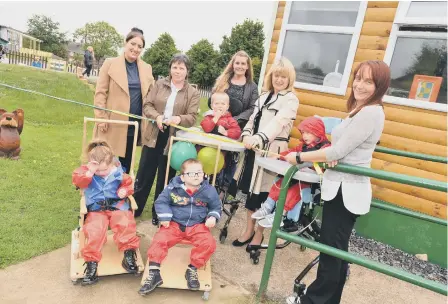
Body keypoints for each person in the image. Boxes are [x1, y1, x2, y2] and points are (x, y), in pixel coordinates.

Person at [284, 60, 390, 304]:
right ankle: (327, 301)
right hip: (341, 186)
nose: (360, 85)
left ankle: (312, 300)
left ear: (380, 86)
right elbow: (342, 150)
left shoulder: (372, 112)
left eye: (368, 81)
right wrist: (337, 156)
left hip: (348, 191)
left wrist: (299, 157)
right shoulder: (360, 110)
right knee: (334, 250)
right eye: (358, 78)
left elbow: (337, 150)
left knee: (332, 251)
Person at [229, 57, 299, 248]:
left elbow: (277, 124)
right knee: (250, 194)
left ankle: (259, 235)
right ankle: (248, 230)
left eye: (283, 77)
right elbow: (252, 119)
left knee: (264, 196)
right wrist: (246, 135)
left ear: (289, 79)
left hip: (271, 154)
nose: (279, 80)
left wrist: (258, 138)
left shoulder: (291, 100)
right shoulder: (263, 97)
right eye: (276, 75)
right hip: (254, 150)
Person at [133, 53, 200, 224]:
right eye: (175, 67)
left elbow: (192, 117)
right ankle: (135, 208)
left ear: (187, 71)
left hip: (173, 140)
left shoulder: (192, 92)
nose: (177, 71)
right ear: (170, 68)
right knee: (144, 173)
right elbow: (147, 105)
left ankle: (159, 212)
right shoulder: (159, 84)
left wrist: (178, 119)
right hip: (154, 134)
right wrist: (156, 116)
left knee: (165, 178)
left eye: (181, 68)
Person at [138, 159, 221, 295]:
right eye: (191, 173)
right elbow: (161, 202)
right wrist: (165, 217)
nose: (196, 176)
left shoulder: (209, 191)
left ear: (204, 175)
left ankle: (192, 269)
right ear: (182, 177)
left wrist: (212, 216)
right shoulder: (173, 188)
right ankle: (154, 273)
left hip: (197, 225)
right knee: (159, 240)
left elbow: (216, 206)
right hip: (174, 224)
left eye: (199, 172)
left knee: (209, 244)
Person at [72, 139, 140, 286]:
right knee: (95, 230)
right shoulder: (85, 172)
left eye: (105, 170)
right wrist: (90, 172)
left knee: (126, 224)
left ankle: (128, 254)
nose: (101, 173)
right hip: (97, 210)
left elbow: (129, 184)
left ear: (112, 164)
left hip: (117, 206)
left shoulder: (118, 172)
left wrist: (125, 190)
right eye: (98, 170)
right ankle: (91, 263)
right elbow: (78, 182)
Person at [251, 116, 330, 231]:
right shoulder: (304, 146)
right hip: (296, 176)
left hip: (310, 183)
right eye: (303, 133)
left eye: (309, 133)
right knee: (279, 184)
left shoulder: (326, 147)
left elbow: (325, 159)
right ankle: (267, 206)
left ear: (318, 132)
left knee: (292, 193)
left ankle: (279, 215)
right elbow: (291, 152)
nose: (305, 136)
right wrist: (279, 156)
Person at [94, 28, 154, 175]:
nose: (136, 48)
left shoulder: (147, 68)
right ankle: (100, 195)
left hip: (134, 125)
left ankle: (121, 195)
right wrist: (101, 118)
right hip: (112, 124)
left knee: (126, 165)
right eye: (133, 44)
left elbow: (152, 95)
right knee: (105, 163)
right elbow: (100, 93)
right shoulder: (110, 64)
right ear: (125, 43)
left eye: (140, 46)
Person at [201, 92, 241, 194]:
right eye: (216, 103)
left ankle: (217, 189)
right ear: (211, 105)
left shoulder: (230, 120)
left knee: (220, 170)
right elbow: (206, 127)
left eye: (223, 104)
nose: (219, 106)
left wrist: (226, 132)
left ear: (227, 106)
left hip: (221, 153)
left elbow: (237, 132)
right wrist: (215, 118)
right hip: (206, 151)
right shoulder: (208, 117)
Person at [210, 50, 258, 130]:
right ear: (233, 65)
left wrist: (234, 120)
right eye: (237, 63)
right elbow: (213, 99)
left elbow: (252, 108)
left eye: (243, 64)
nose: (240, 66)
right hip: (217, 123)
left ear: (247, 66)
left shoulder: (253, 87)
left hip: (237, 126)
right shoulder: (222, 81)